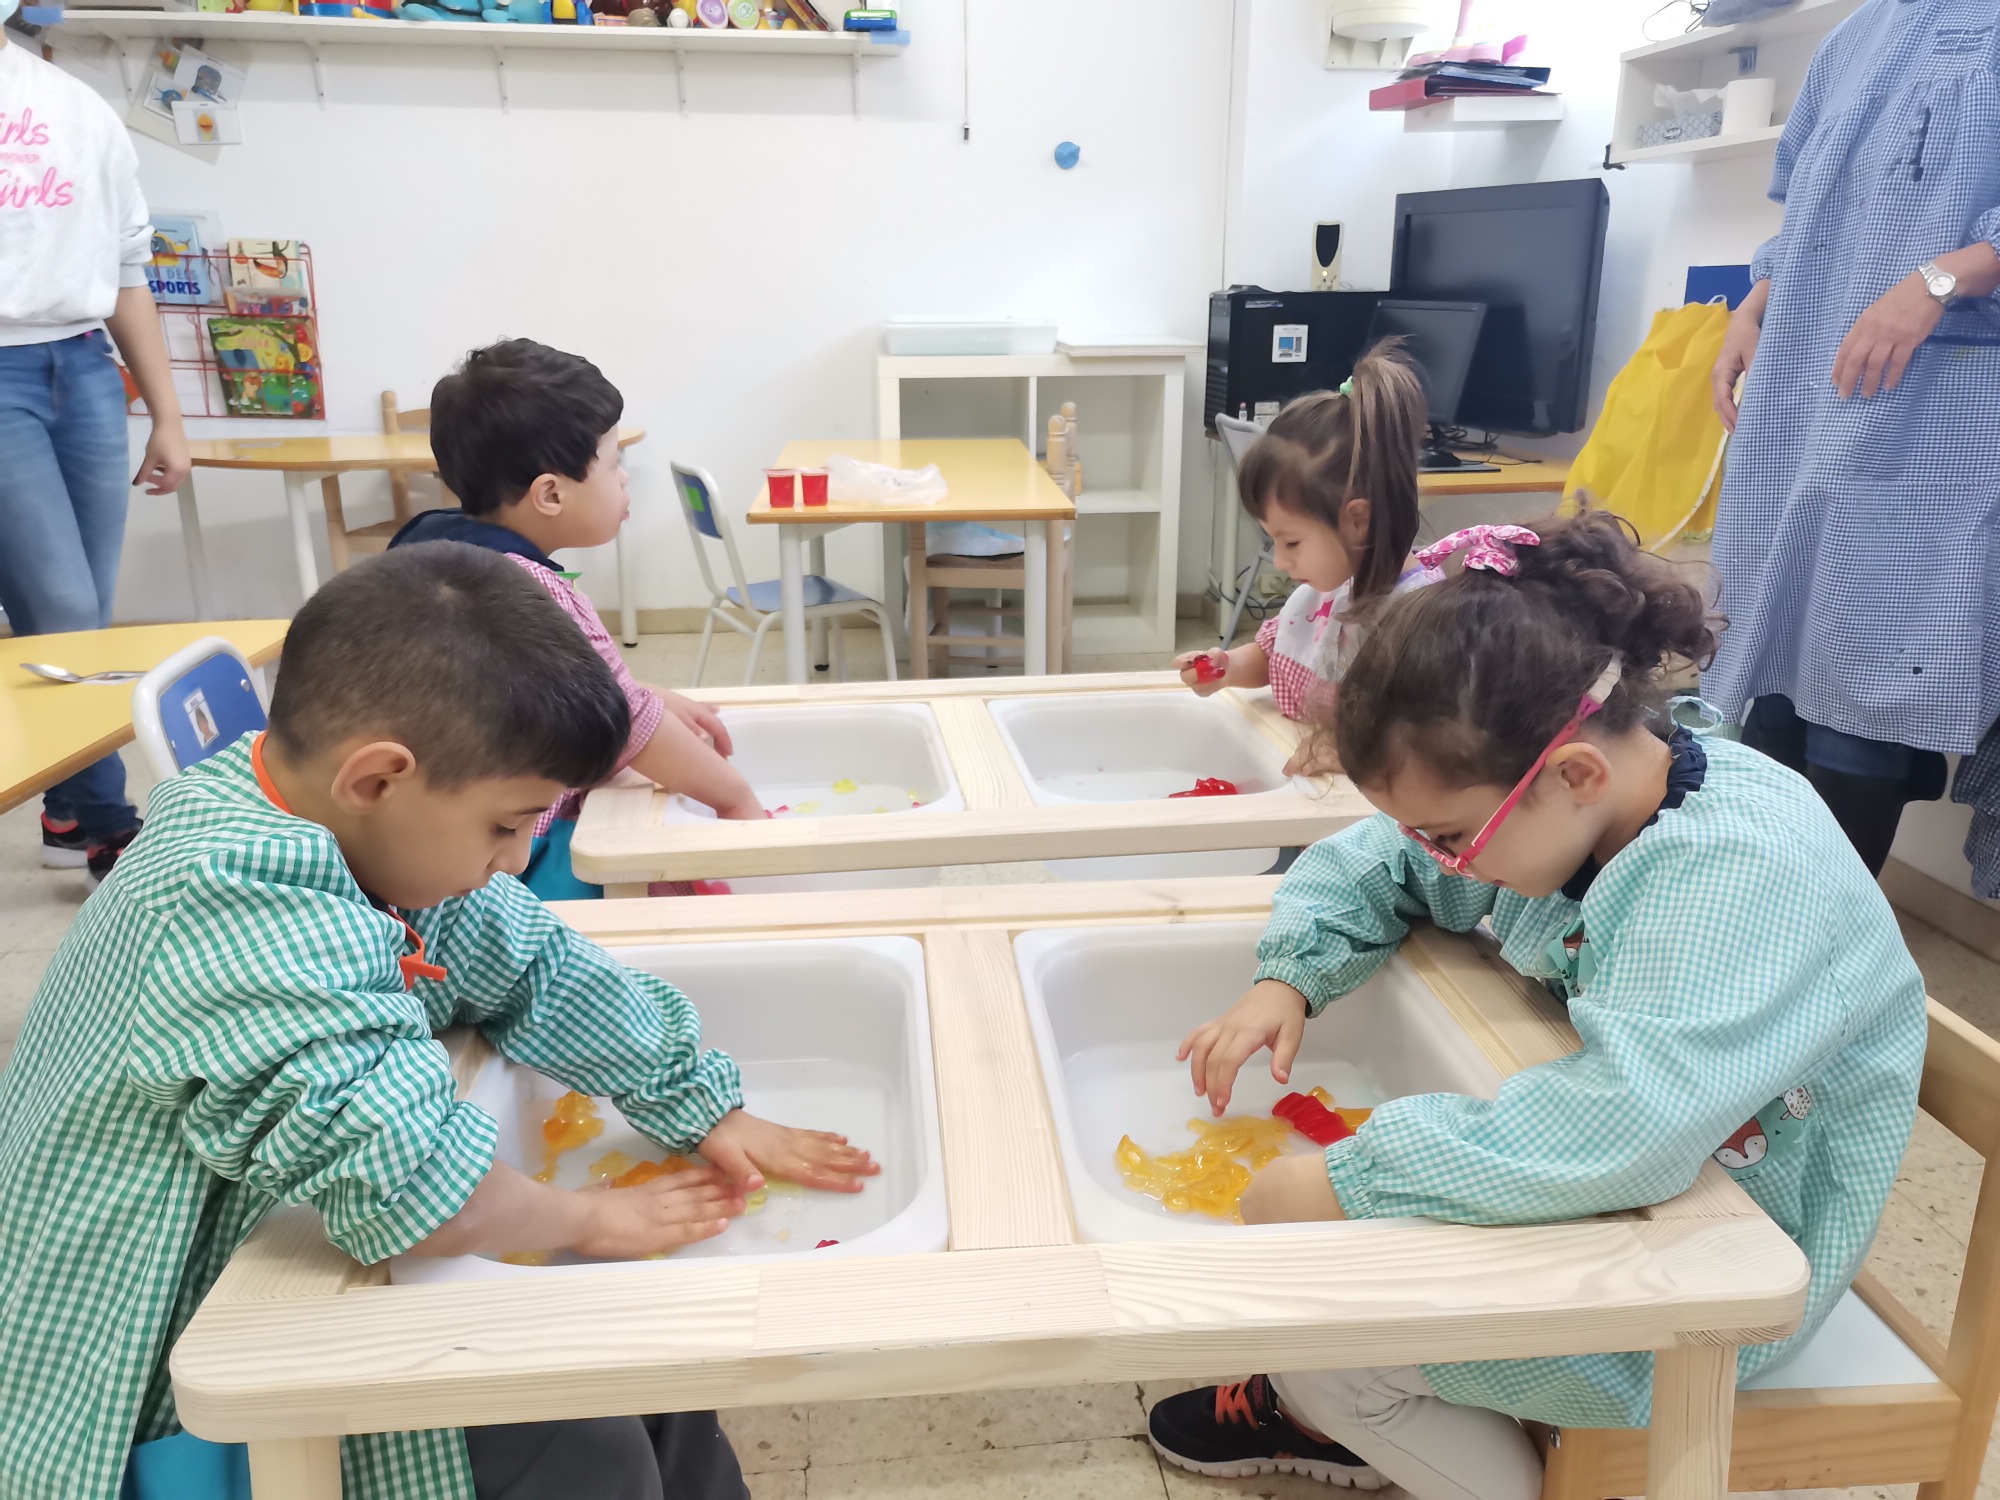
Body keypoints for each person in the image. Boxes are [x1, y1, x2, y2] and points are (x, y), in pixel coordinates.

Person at [0, 543, 878, 1500]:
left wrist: (701, 1102)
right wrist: (593, 1217)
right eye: (506, 824)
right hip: (137, 1355)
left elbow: (532, 961)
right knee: (583, 1430)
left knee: (655, 1370)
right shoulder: (233, 900)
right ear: (379, 778)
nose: (518, 858)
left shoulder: (353, 826)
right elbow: (425, 1192)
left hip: (273, 1239)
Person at [1148, 514, 1926, 1500]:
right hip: (1646, 1188)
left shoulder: (1734, 878)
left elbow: (1623, 1126)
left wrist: (1353, 1179)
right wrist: (1289, 975)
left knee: (1331, 1348)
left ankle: (1341, 1411)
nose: (1439, 860)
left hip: (1726, 1275)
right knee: (1342, 1283)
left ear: (1571, 775)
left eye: (1450, 835)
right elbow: (1378, 862)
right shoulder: (1592, 798)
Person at [1704, 0, 2000, 876]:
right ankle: (1746, 909)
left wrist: (1939, 279)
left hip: (1939, 408)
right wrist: (1756, 306)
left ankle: (1825, 929)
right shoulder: (1854, 37)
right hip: (1806, 387)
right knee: (1774, 674)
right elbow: (1810, 203)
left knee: (1867, 686)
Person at [388, 338, 765, 900]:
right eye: (613, 465)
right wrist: (735, 798)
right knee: (674, 878)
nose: (624, 480)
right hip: (513, 864)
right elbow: (626, 726)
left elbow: (545, 688)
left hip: (432, 845)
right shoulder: (528, 591)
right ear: (550, 494)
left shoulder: (434, 548)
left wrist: (641, 692)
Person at [0, 13, 191, 883]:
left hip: (82, 366)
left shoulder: (75, 107)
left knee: (82, 615)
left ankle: (69, 807)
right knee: (64, 609)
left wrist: (168, 416)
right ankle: (111, 820)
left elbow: (125, 271)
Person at [1175, 344, 1437, 777]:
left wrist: (1347, 755)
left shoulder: (1420, 622)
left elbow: (1430, 746)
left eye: (1292, 542)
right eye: (1273, 540)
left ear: (1358, 521)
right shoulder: (1334, 585)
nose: (1279, 561)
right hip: (1297, 766)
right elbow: (1276, 652)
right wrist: (1228, 668)